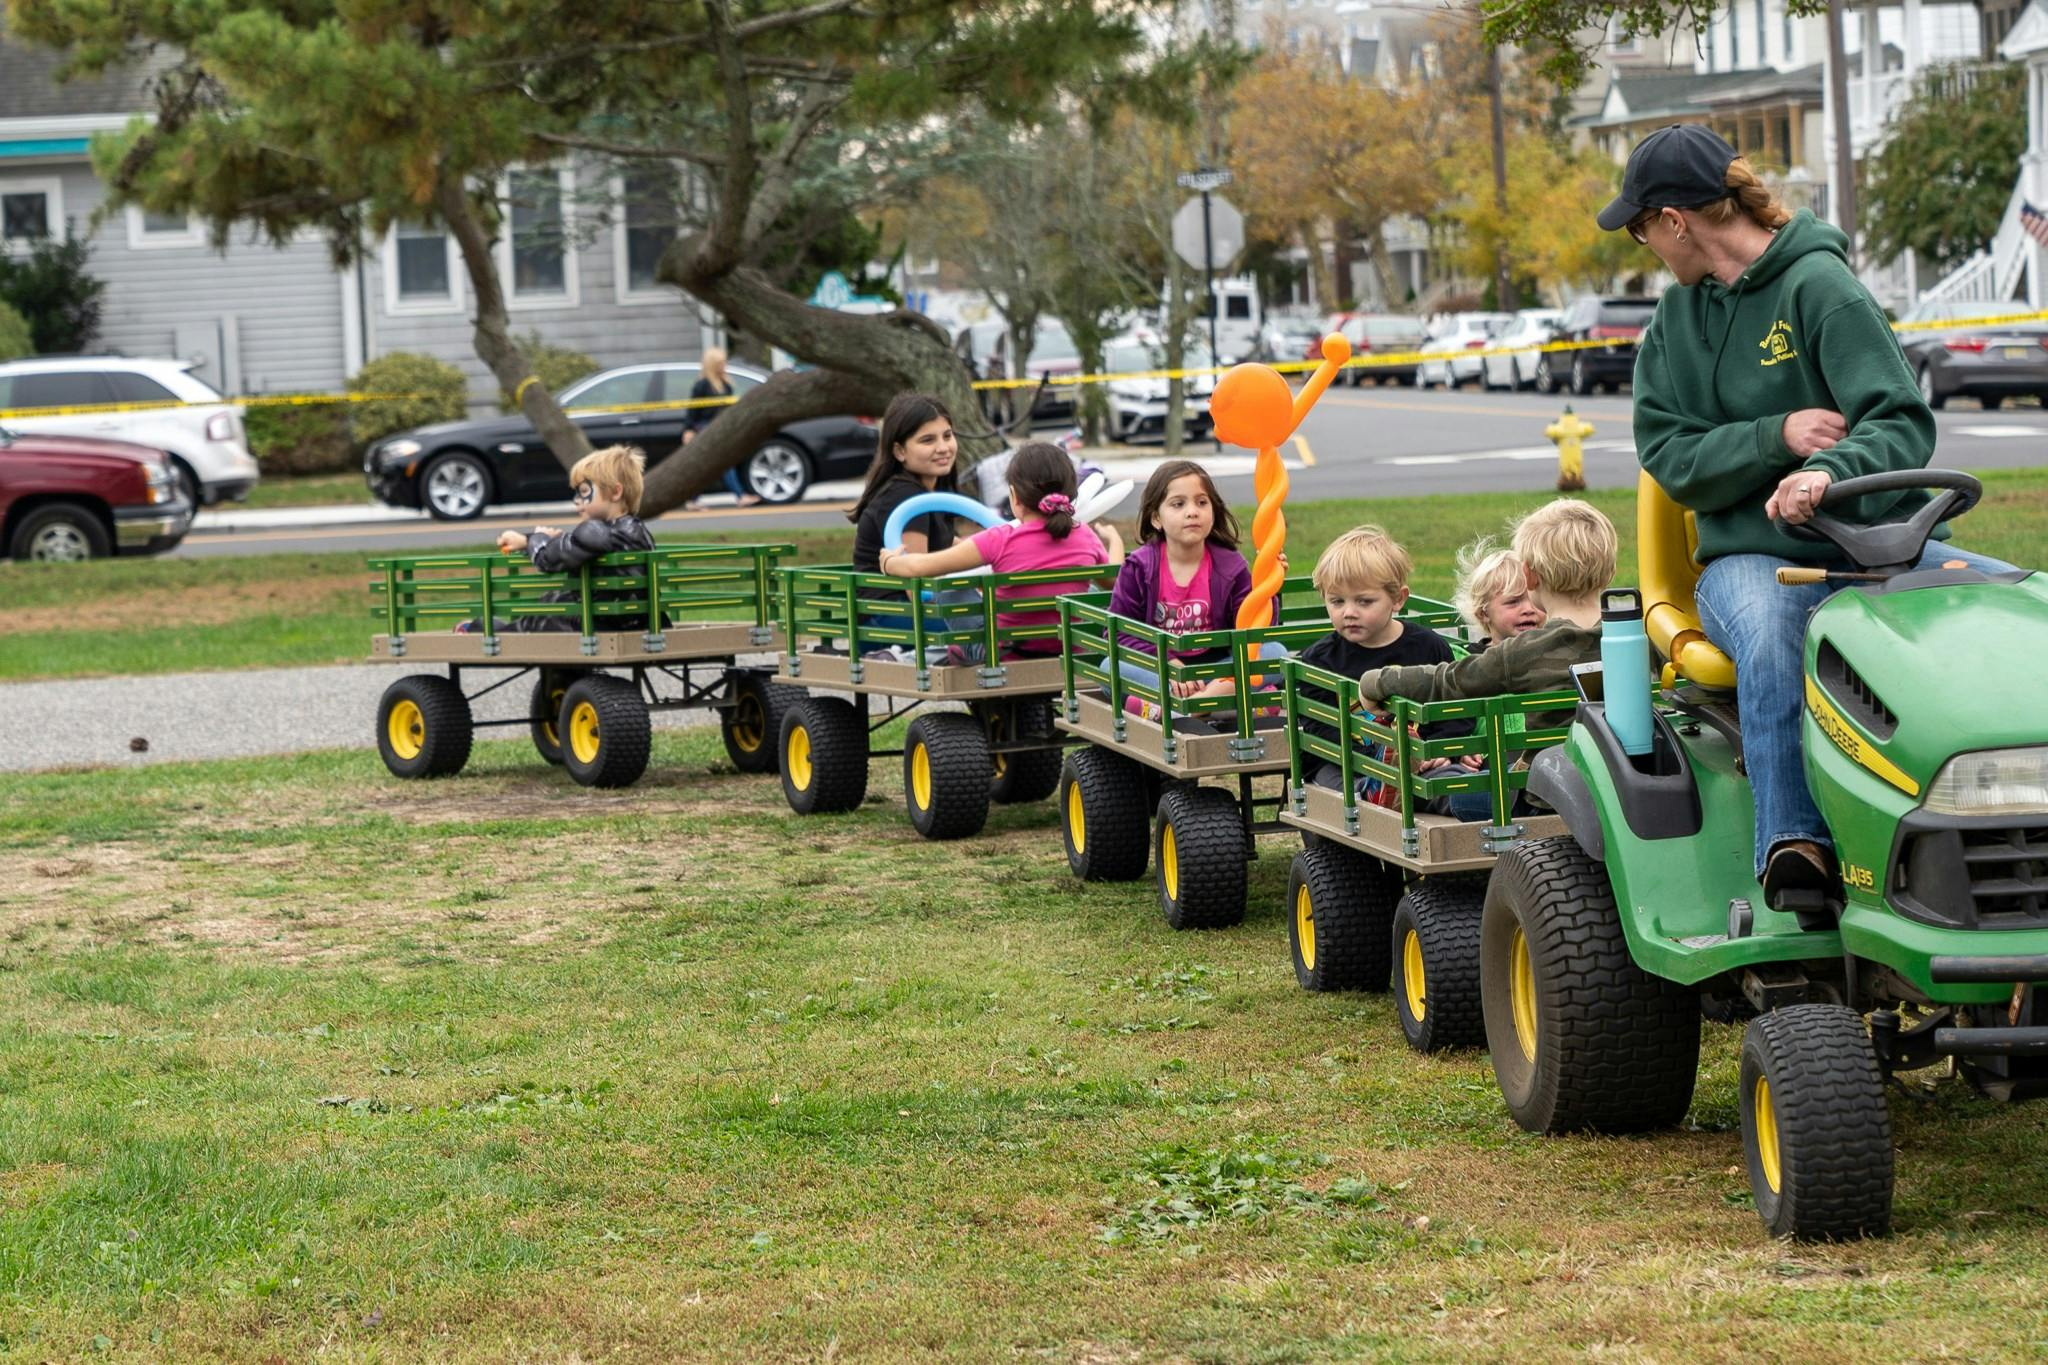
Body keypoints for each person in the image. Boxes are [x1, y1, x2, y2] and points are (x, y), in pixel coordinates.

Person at [1606, 122, 2015, 910]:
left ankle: (1995, 824)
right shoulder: (1672, 329)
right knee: (1772, 627)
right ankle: (1794, 846)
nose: (1646, 248)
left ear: (1674, 220)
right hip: (1754, 556)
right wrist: (1778, 438)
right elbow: (1668, 452)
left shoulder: (1820, 287)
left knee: (2016, 610)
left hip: (1884, 546)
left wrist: (1829, 470)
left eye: (1641, 229)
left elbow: (1897, 421)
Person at [1356, 499, 1615, 721]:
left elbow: (1447, 682)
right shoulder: (1642, 637)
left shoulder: (1525, 650)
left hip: (1550, 773)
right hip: (1628, 771)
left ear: (1529, 577)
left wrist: (1376, 682)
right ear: (1611, 572)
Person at [880, 441, 1123, 660]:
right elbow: (1114, 583)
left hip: (1003, 654)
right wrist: (1115, 541)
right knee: (1087, 589)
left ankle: (963, 649)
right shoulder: (1085, 536)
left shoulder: (1000, 539)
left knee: (950, 587)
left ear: (1015, 497)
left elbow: (918, 567)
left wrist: (889, 562)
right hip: (1068, 649)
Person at [1294, 525, 1467, 795]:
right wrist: (1375, 763)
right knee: (1343, 788)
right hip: (1344, 764)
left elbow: (1454, 711)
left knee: (1449, 778)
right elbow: (1321, 729)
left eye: (1364, 602)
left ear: (1398, 599)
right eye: (1337, 601)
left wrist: (1440, 750)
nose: (1349, 612)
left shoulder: (1428, 647)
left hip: (1419, 761)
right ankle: (1376, 794)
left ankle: (1454, 799)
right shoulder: (1319, 660)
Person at [1106, 460, 1253, 715]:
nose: (1192, 511)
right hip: (1160, 667)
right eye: (1178, 504)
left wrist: (1265, 586)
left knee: (1275, 652)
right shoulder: (1139, 567)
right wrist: (1170, 667)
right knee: (1110, 666)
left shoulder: (1231, 565)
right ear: (1156, 519)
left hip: (1217, 667)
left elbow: (1255, 629)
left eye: (1201, 502)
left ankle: (1182, 709)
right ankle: (1213, 703)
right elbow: (1119, 633)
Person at [457, 445, 656, 634]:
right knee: (556, 602)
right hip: (638, 621)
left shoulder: (593, 530)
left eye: (584, 492)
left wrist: (539, 538)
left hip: (594, 623)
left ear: (615, 491)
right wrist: (532, 540)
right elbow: (575, 545)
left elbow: (547, 560)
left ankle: (477, 629)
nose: (577, 500)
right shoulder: (638, 531)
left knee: (550, 605)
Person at [682, 347, 760, 509]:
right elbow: (692, 410)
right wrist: (688, 429)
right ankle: (738, 496)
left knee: (709, 466)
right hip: (705, 430)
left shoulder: (726, 385)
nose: (723, 366)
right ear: (712, 364)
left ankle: (693, 500)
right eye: (720, 363)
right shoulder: (702, 385)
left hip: (722, 430)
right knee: (720, 464)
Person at [1453, 538, 1546, 650]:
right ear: (1484, 614)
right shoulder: (1475, 663)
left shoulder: (1554, 654)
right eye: (1514, 602)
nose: (1529, 609)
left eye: (1534, 600)